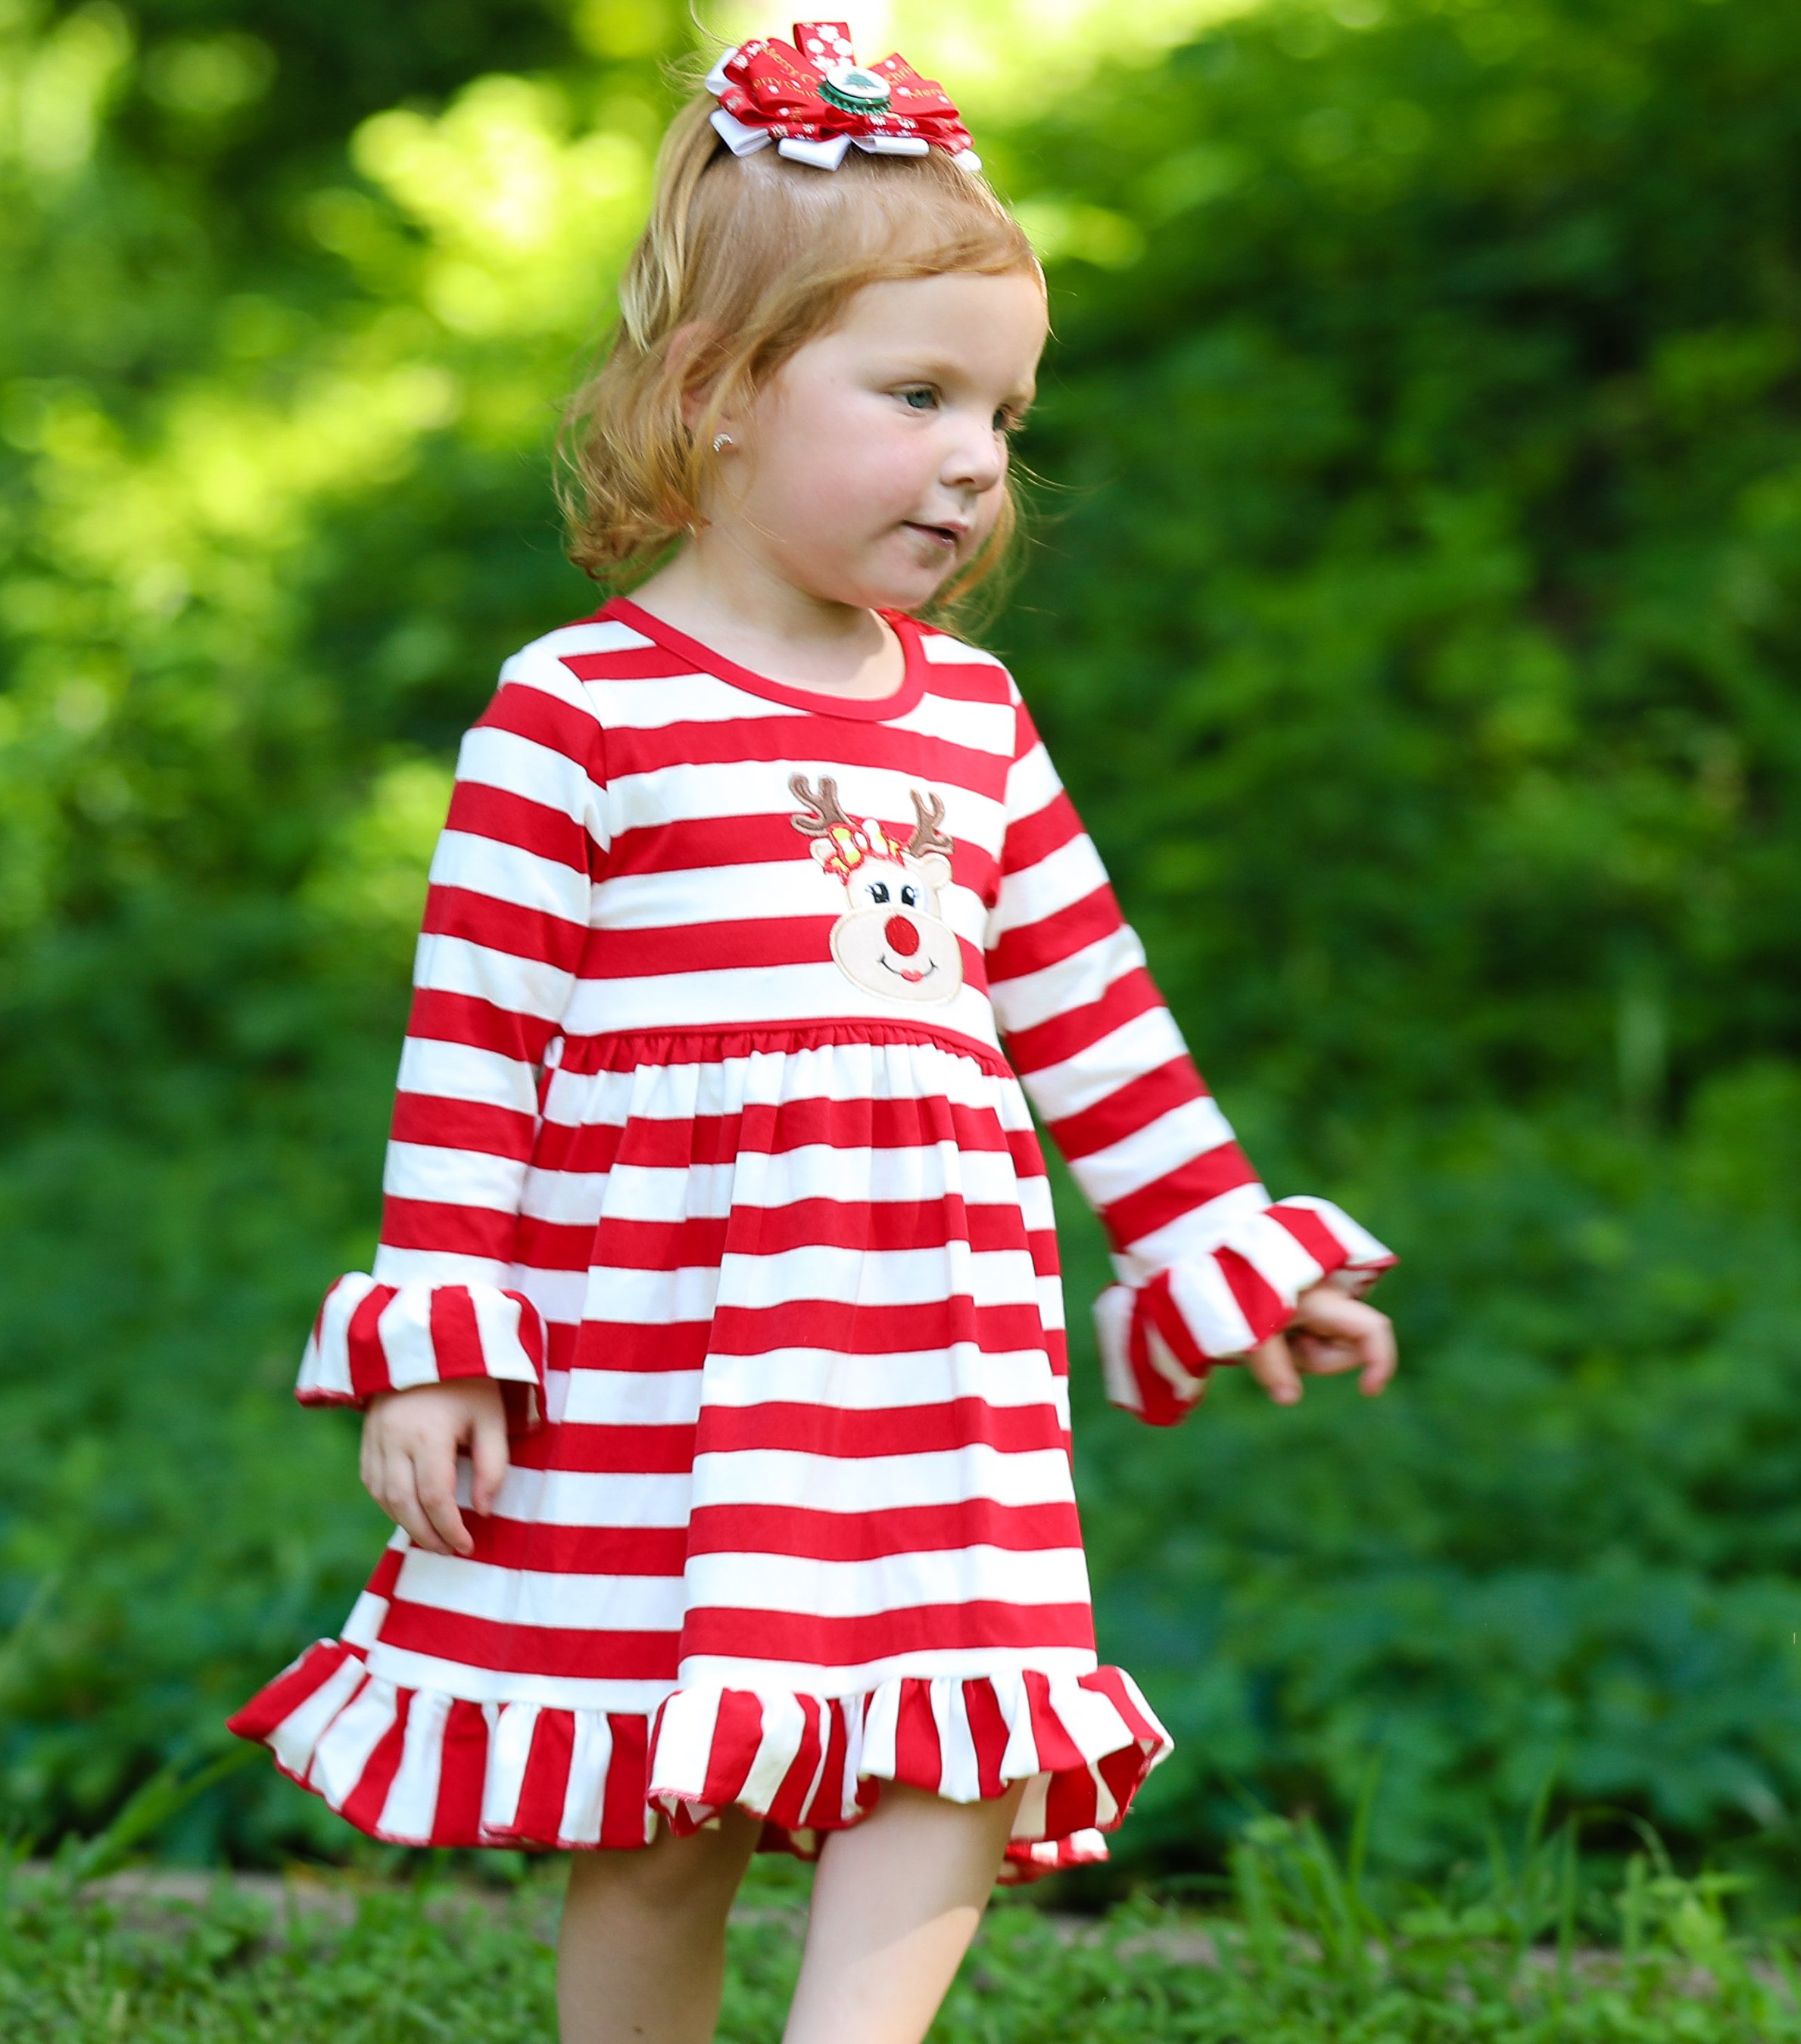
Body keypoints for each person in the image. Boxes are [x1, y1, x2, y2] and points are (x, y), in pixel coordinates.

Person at [231, 23, 1397, 2044]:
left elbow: (1090, 1013)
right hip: (659, 1341)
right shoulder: (578, 707)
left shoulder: (969, 722)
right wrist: (436, 1338)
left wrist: (1215, 1252)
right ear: (717, 398)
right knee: (662, 1784)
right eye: (918, 392)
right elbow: (476, 1050)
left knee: (964, 1714)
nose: (974, 456)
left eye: (1006, 414)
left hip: (927, 1339)